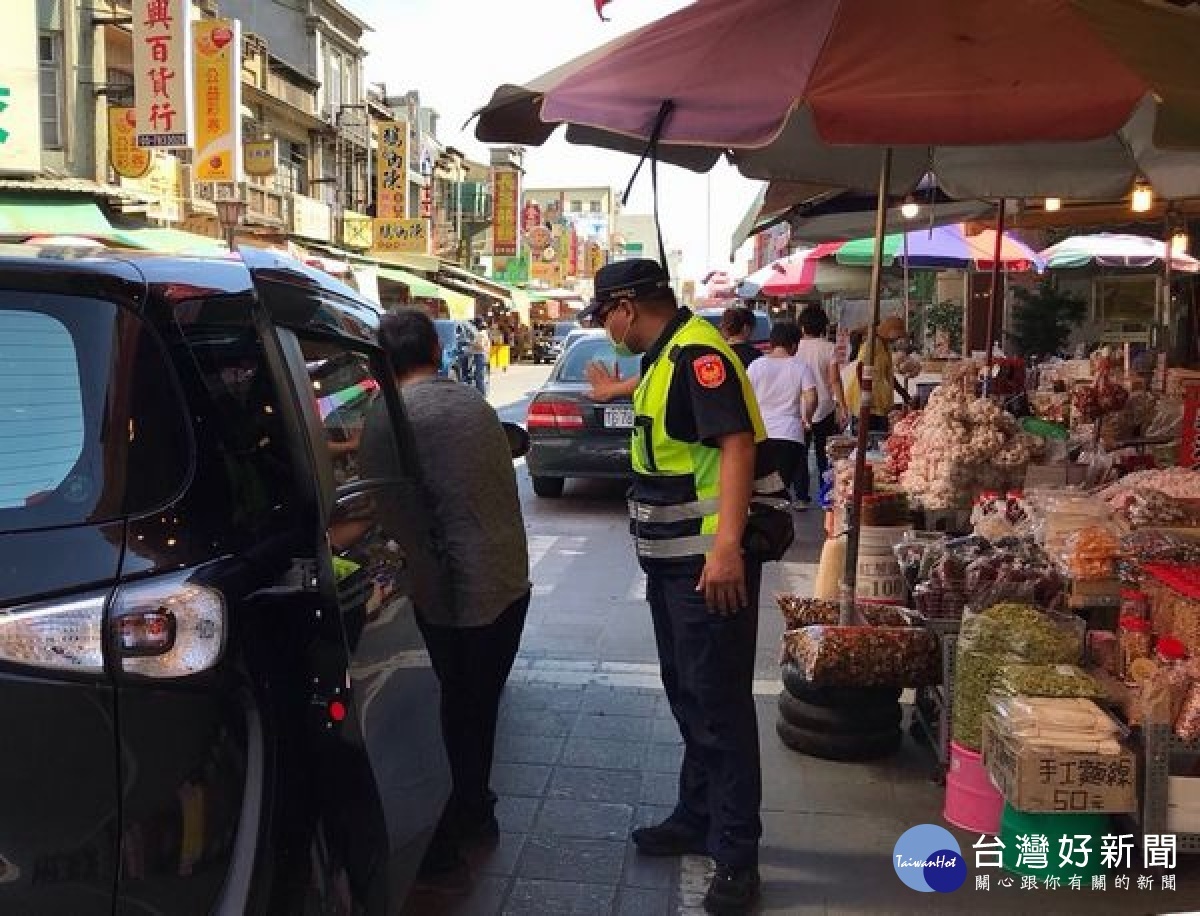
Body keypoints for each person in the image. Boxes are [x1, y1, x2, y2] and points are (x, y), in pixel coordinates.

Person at [581, 259, 769, 914]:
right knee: (690, 695)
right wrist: (617, 394)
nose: (605, 328)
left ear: (628, 306)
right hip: (670, 565)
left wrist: (725, 551)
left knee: (718, 706)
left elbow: (737, 444)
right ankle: (696, 816)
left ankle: (737, 855)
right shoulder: (667, 357)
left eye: (605, 314)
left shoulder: (697, 353)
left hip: (704, 569)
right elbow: (673, 411)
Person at [369, 309, 530, 885]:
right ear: (437, 355)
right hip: (510, 583)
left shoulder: (390, 416)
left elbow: (381, 502)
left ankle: (446, 827)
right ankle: (475, 808)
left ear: (382, 364)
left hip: (459, 592)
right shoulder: (474, 405)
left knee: (447, 709)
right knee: (476, 708)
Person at [746, 322, 817, 505]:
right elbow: (811, 398)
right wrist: (807, 418)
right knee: (781, 487)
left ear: (771, 342)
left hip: (760, 434)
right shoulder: (800, 367)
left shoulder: (755, 366)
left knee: (760, 489)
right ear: (794, 345)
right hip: (789, 435)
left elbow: (744, 399)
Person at [792, 305, 848, 507]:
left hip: (801, 406)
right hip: (824, 406)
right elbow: (834, 380)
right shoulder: (828, 348)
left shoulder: (795, 347)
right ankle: (827, 494)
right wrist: (842, 405)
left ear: (802, 327)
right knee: (825, 452)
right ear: (823, 326)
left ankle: (801, 497)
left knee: (801, 452)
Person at [844, 315, 909, 432]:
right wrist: (866, 394)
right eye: (897, 335)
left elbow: (888, 375)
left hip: (879, 402)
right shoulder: (873, 344)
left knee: (878, 435)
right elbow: (860, 367)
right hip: (868, 401)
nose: (898, 339)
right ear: (890, 333)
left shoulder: (886, 346)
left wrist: (902, 392)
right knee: (868, 436)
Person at [469, 321, 491, 396]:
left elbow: (480, 346)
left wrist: (472, 344)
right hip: (483, 355)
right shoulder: (484, 333)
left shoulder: (480, 334)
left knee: (479, 376)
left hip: (480, 355)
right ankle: (481, 392)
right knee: (479, 375)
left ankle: (481, 394)